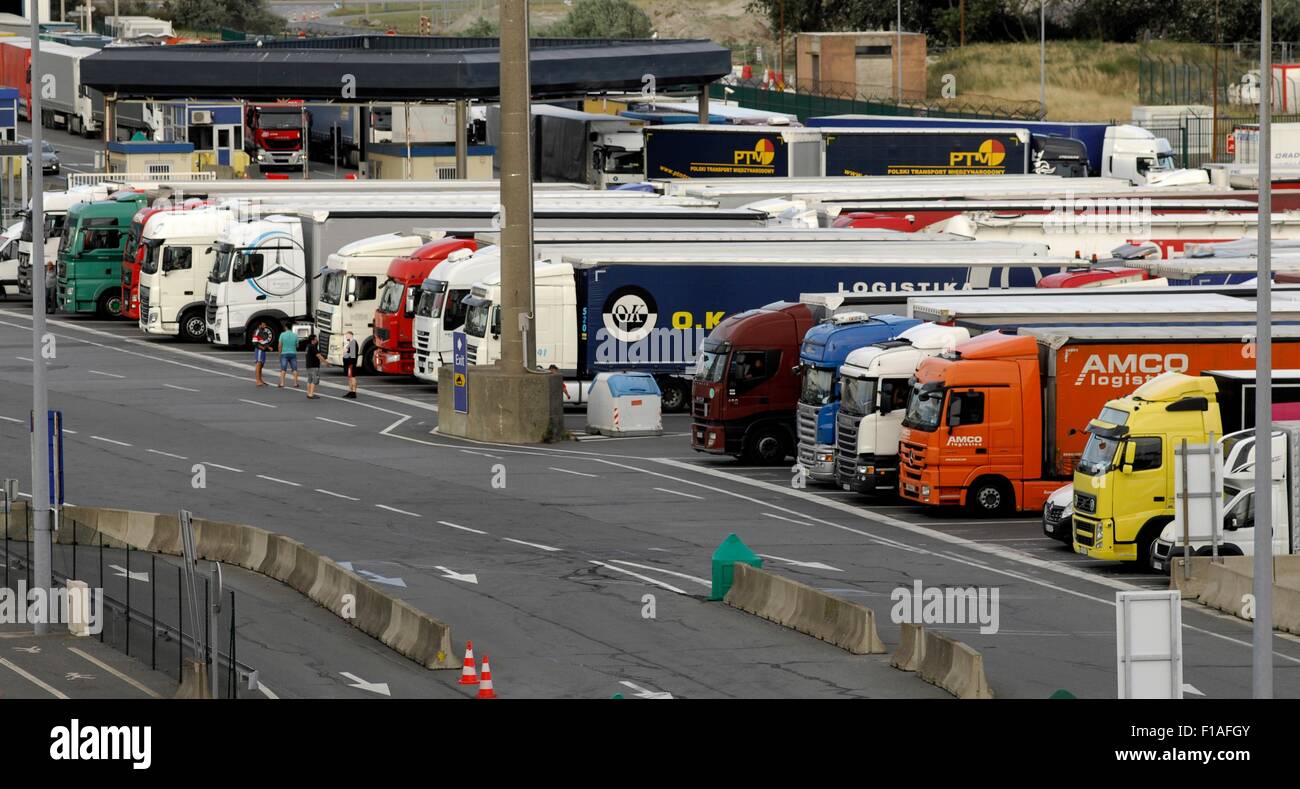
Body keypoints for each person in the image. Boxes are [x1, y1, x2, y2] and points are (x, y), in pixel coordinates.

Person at [304, 334, 325, 399]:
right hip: (314, 366)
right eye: (316, 339)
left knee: (309, 380)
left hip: (308, 365)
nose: (317, 340)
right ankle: (311, 394)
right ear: (313, 340)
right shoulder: (313, 347)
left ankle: (308, 393)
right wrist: (325, 362)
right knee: (314, 380)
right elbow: (319, 355)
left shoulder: (308, 346)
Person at [341, 330, 360, 399]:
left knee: (352, 377)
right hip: (349, 363)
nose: (346, 337)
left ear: (350, 335)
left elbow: (352, 355)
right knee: (350, 378)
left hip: (351, 363)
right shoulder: (351, 343)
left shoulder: (353, 343)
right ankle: (350, 391)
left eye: (347, 335)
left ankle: (353, 392)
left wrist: (345, 353)